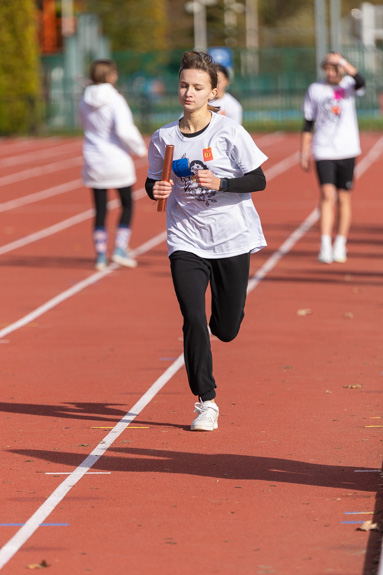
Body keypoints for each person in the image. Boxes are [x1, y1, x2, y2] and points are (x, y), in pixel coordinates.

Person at [146, 50, 268, 432]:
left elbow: (259, 179)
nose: (188, 93)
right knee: (192, 317)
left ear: (213, 92)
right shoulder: (163, 137)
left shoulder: (229, 131)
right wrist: (157, 189)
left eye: (197, 87)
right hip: (185, 239)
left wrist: (223, 182)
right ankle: (206, 401)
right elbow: (153, 181)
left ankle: (223, 324)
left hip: (231, 237)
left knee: (226, 328)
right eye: (184, 85)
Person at [79, 59, 147, 270]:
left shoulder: (84, 100)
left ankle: (100, 255)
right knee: (126, 203)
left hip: (93, 158)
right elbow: (124, 129)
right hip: (116, 158)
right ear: (110, 76)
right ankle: (119, 248)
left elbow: (84, 123)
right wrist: (140, 149)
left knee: (100, 208)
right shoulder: (116, 100)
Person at [300, 52, 365, 264]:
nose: (331, 72)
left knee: (343, 197)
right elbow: (308, 122)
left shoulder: (348, 85)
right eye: (328, 68)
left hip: (346, 149)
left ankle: (340, 243)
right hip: (323, 150)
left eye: (335, 68)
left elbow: (361, 81)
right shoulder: (315, 89)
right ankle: (325, 243)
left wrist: (344, 62)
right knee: (327, 195)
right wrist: (304, 151)